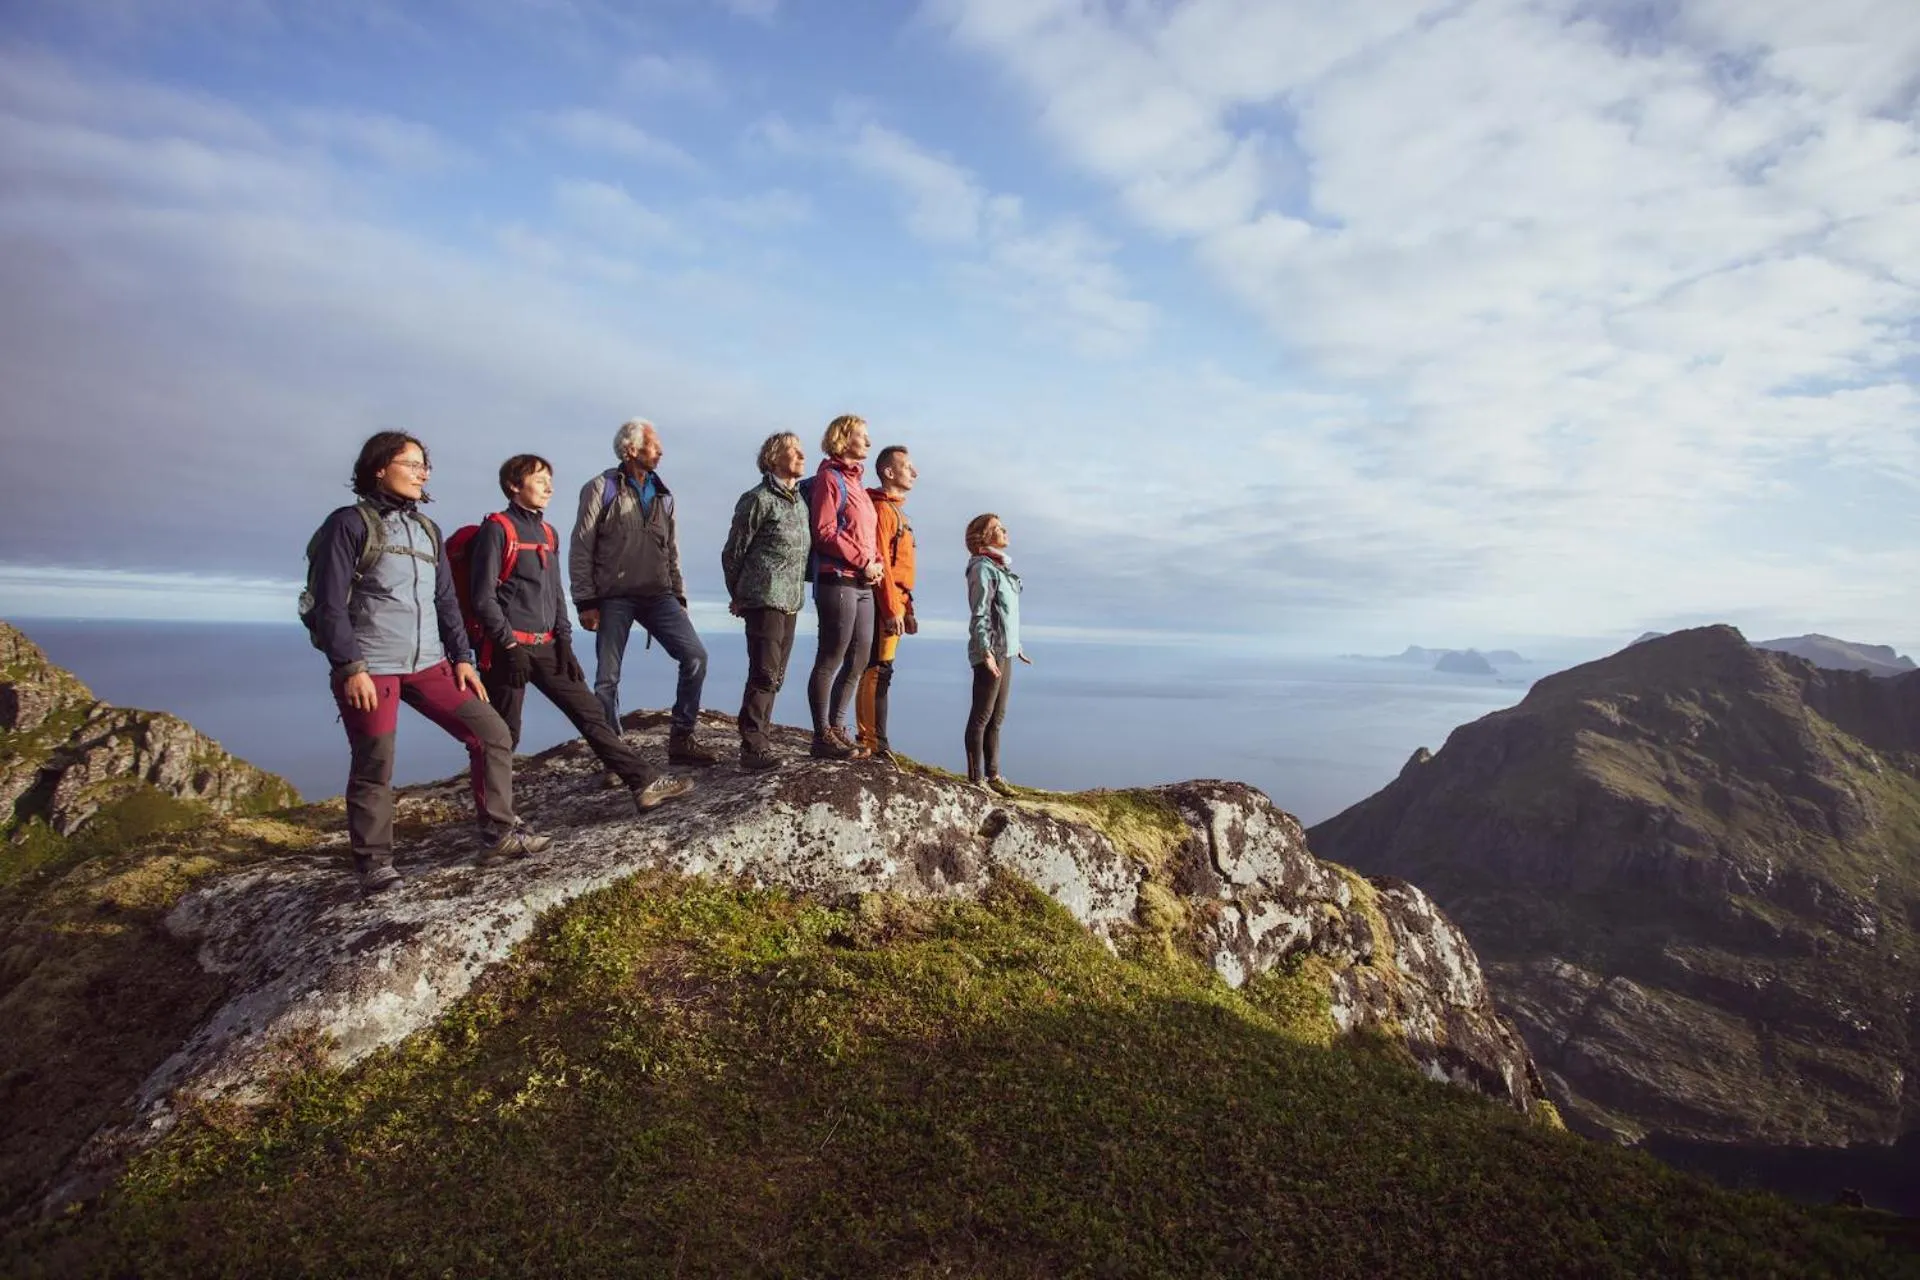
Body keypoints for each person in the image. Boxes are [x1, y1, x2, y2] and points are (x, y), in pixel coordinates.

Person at [307, 431, 550, 894]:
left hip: (430, 663)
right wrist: (349, 666)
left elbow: (446, 602)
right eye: (412, 463)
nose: (424, 472)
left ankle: (499, 833)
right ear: (380, 468)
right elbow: (329, 604)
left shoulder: (426, 529)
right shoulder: (349, 524)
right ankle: (375, 862)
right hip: (371, 666)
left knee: (492, 733)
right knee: (375, 761)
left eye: (425, 465)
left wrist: (462, 658)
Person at [471, 453, 694, 814]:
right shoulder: (498, 529)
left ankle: (643, 783)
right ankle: (496, 824)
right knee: (504, 736)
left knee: (591, 714)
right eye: (539, 479)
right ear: (514, 485)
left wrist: (565, 642)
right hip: (506, 650)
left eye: (549, 479)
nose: (549, 486)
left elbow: (554, 592)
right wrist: (508, 644)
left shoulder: (547, 532)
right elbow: (483, 597)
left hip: (548, 646)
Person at [569, 418, 720, 772]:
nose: (660, 451)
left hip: (659, 595)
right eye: (653, 445)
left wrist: (679, 596)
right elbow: (581, 547)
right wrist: (585, 601)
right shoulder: (600, 488)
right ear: (631, 449)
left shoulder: (664, 495)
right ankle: (613, 759)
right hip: (612, 597)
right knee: (607, 678)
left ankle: (682, 740)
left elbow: (671, 550)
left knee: (696, 656)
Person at [720, 432, 811, 770]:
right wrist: (739, 594)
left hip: (790, 600)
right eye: (793, 450)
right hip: (764, 598)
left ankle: (757, 737)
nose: (801, 455)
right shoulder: (757, 499)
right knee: (764, 673)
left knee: (776, 674)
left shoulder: (798, 502)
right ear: (773, 458)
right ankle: (753, 747)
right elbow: (733, 551)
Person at [805, 414, 883, 759]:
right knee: (832, 655)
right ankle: (821, 735)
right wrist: (862, 561)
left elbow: (867, 533)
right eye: (861, 436)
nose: (868, 441)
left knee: (859, 657)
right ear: (843, 438)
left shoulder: (859, 487)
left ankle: (838, 729)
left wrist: (876, 563)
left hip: (864, 582)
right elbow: (824, 532)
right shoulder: (829, 478)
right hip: (837, 579)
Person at [856, 445, 918, 763]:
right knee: (877, 670)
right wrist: (893, 609)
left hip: (898, 602)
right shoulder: (882, 510)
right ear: (888, 472)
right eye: (908, 466)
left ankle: (875, 740)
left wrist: (909, 609)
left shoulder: (897, 511)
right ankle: (872, 741)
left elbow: (901, 566)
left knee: (882, 669)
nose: (915, 472)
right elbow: (883, 563)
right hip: (886, 603)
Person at [963, 512, 1030, 794]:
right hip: (990, 652)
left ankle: (994, 776)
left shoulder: (1000, 568)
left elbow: (1005, 615)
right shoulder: (982, 568)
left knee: (997, 717)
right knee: (981, 716)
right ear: (982, 538)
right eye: (997, 528)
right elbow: (980, 614)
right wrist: (986, 652)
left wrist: (1017, 646)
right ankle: (976, 779)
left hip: (1006, 651)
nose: (1004, 531)